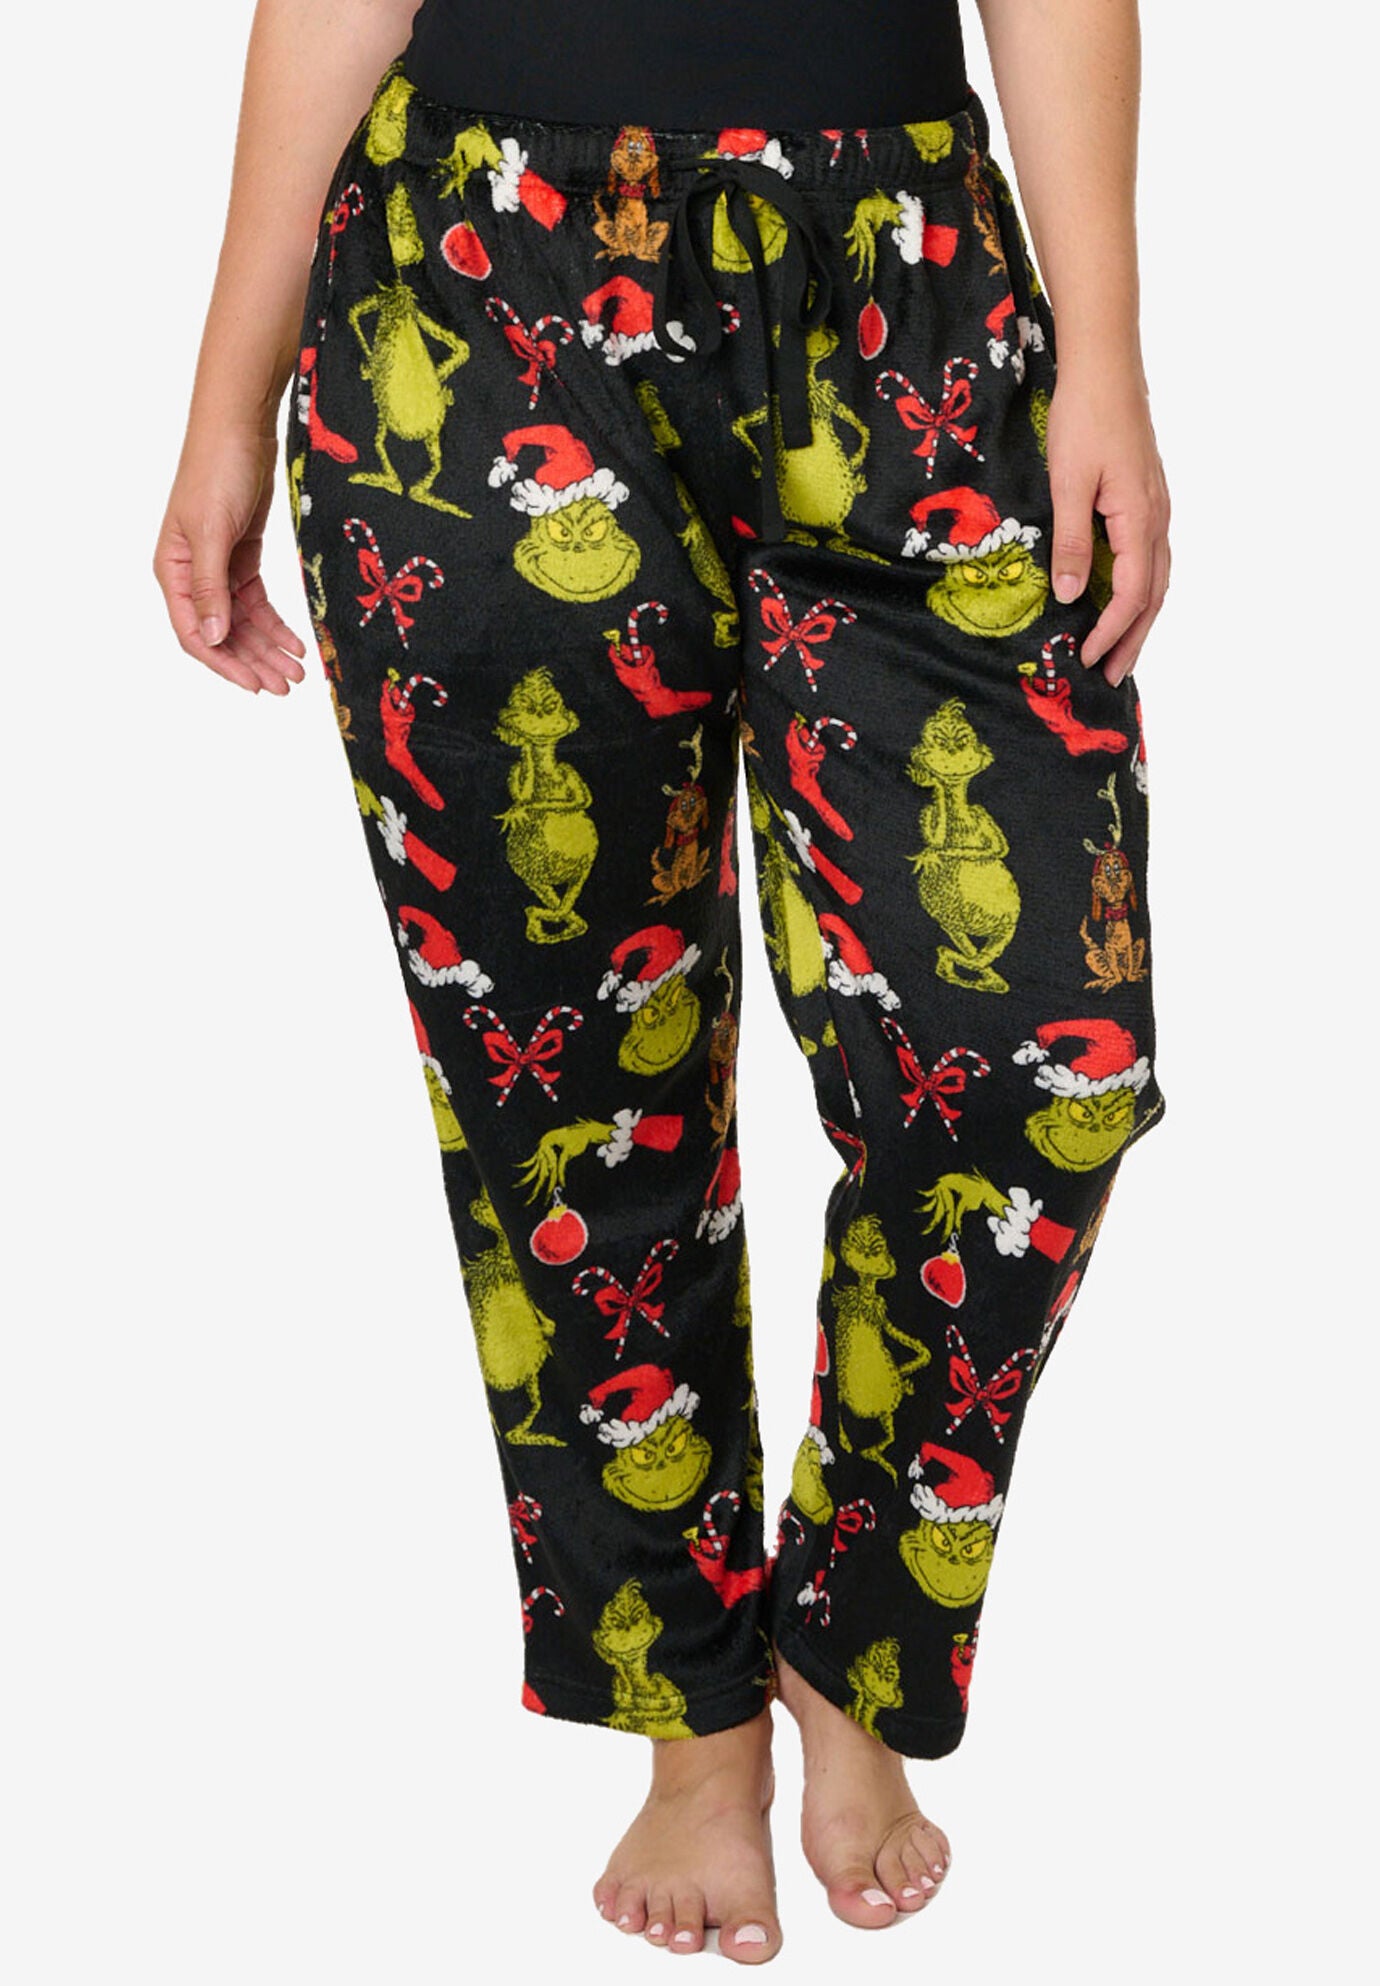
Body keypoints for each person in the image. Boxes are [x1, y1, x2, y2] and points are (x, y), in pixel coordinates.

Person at [154, 0, 1171, 1962]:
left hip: (902, 296)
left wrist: (1106, 345)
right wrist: (225, 393)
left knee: (1038, 1062)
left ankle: (853, 1638)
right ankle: (690, 1715)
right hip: (479, 282)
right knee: (565, 1080)